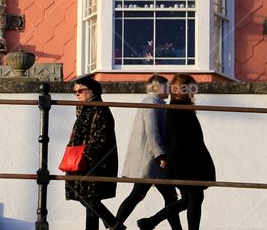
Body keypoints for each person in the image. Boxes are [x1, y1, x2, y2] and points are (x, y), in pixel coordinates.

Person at [138, 74, 215, 230]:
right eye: (190, 87)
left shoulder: (181, 106)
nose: (194, 91)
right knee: (195, 197)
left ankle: (149, 222)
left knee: (187, 200)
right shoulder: (177, 108)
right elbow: (177, 138)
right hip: (186, 162)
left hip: (188, 160)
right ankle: (150, 222)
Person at [115, 75, 181, 230]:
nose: (170, 89)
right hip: (152, 161)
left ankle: (115, 225)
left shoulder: (155, 102)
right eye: (167, 86)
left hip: (152, 161)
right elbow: (152, 130)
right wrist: (160, 155)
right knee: (149, 195)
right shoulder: (151, 102)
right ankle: (114, 225)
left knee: (147, 195)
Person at [65, 77, 120, 230]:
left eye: (80, 90)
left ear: (92, 91)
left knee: (89, 198)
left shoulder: (99, 109)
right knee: (87, 198)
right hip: (81, 161)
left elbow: (101, 138)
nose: (77, 94)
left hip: (95, 162)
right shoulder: (84, 109)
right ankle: (113, 223)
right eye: (75, 91)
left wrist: (86, 156)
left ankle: (114, 223)